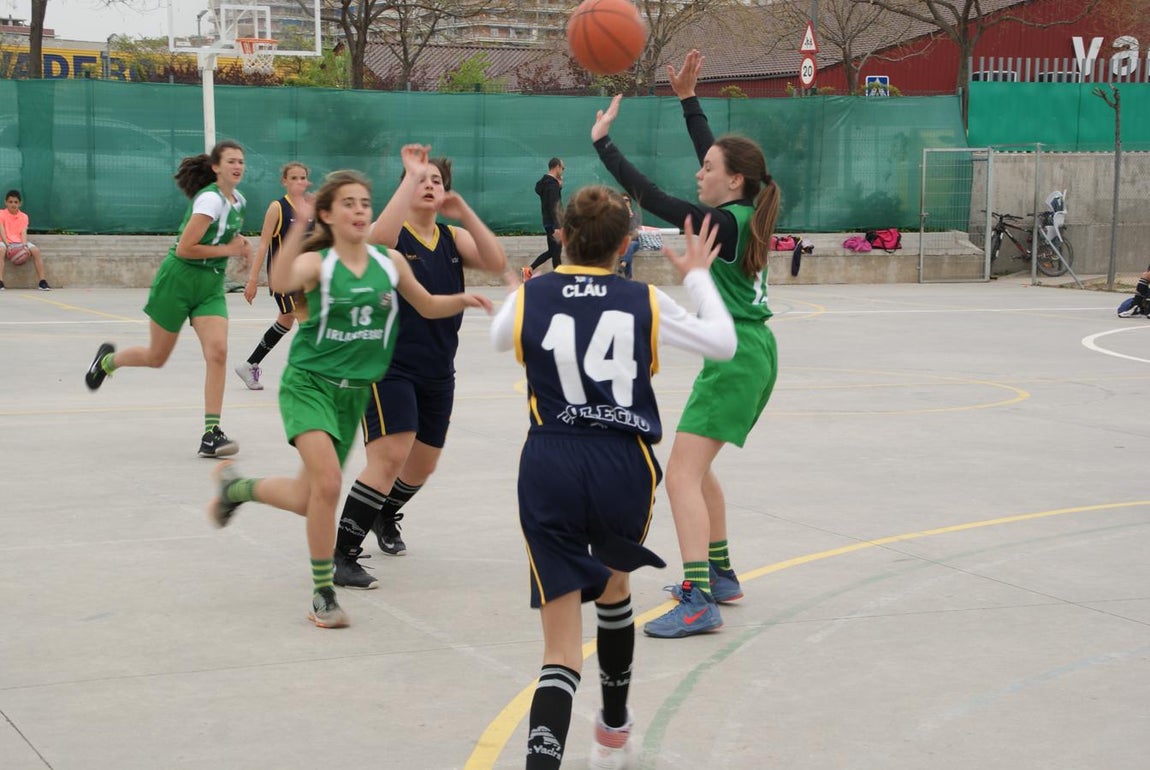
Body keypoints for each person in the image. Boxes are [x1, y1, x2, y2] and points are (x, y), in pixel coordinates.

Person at [492, 186, 736, 769]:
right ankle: (614, 730)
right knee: (615, 586)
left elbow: (499, 336)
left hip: (550, 460)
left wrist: (524, 297)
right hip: (620, 462)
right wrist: (699, 277)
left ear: (561, 235)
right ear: (626, 244)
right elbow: (723, 344)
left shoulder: (533, 294)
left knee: (558, 650)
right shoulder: (643, 299)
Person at [206, 169, 493, 628]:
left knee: (307, 496)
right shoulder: (319, 264)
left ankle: (236, 488)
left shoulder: (389, 263)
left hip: (352, 394)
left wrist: (466, 300)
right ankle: (323, 592)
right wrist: (298, 225)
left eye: (365, 203)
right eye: (349, 204)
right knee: (328, 486)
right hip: (310, 385)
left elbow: (426, 304)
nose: (360, 210)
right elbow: (282, 278)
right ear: (328, 215)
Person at [592, 49, 782, 639]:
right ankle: (720, 573)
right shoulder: (744, 209)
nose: (699, 172)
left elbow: (652, 195)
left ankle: (698, 597)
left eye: (708, 168)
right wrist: (687, 99)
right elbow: (715, 154)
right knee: (697, 472)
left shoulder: (722, 223)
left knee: (677, 475)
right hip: (748, 351)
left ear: (735, 179)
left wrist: (604, 144)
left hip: (736, 356)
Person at [331, 145, 507, 588]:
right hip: (387, 365)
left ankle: (385, 513)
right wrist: (411, 175)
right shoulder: (393, 236)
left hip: (437, 369)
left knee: (422, 465)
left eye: (436, 180)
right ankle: (342, 555)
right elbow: (374, 242)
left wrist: (463, 209)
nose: (430, 185)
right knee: (391, 454)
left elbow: (496, 261)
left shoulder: (450, 238)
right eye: (420, 179)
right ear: (405, 188)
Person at [83, 140, 254, 458]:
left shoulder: (239, 201)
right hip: (178, 279)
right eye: (231, 161)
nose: (237, 166)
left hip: (210, 286)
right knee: (156, 357)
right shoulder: (208, 200)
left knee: (218, 352)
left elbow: (226, 235)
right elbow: (187, 248)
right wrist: (228, 250)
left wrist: (243, 246)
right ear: (216, 167)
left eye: (241, 161)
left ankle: (211, 433)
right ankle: (107, 363)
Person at [235, 161, 313, 390]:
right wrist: (252, 281)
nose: (299, 182)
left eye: (303, 178)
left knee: (285, 322)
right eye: (294, 178)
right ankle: (305, 378)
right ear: (284, 181)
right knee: (308, 325)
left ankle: (250, 365)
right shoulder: (278, 208)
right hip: (284, 278)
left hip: (305, 277)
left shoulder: (310, 208)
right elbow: (263, 246)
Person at [523, 157, 564, 280]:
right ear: (556, 167)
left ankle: (528, 270)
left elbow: (544, 195)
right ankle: (559, 279)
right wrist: (557, 226)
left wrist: (559, 187)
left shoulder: (544, 183)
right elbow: (554, 205)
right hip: (553, 223)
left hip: (547, 221)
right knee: (556, 251)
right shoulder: (552, 184)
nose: (563, 171)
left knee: (552, 251)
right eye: (563, 168)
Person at [0, 189, 50, 291]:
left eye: (16, 202)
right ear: (6, 202)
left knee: (36, 250)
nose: (13, 204)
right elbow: (2, 232)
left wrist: (24, 247)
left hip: (19, 242)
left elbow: (23, 233)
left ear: (20, 203)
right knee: (0, 250)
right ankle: (0, 281)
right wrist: (8, 245)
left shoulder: (24, 216)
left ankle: (42, 281)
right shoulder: (1, 214)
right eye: (10, 202)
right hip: (4, 241)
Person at [616, 195, 641, 279]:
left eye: (626, 200)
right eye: (622, 200)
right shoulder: (616, 215)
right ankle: (628, 277)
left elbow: (634, 230)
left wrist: (630, 217)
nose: (624, 202)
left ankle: (623, 264)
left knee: (630, 244)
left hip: (634, 241)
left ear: (630, 203)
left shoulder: (635, 214)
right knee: (628, 247)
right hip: (621, 242)